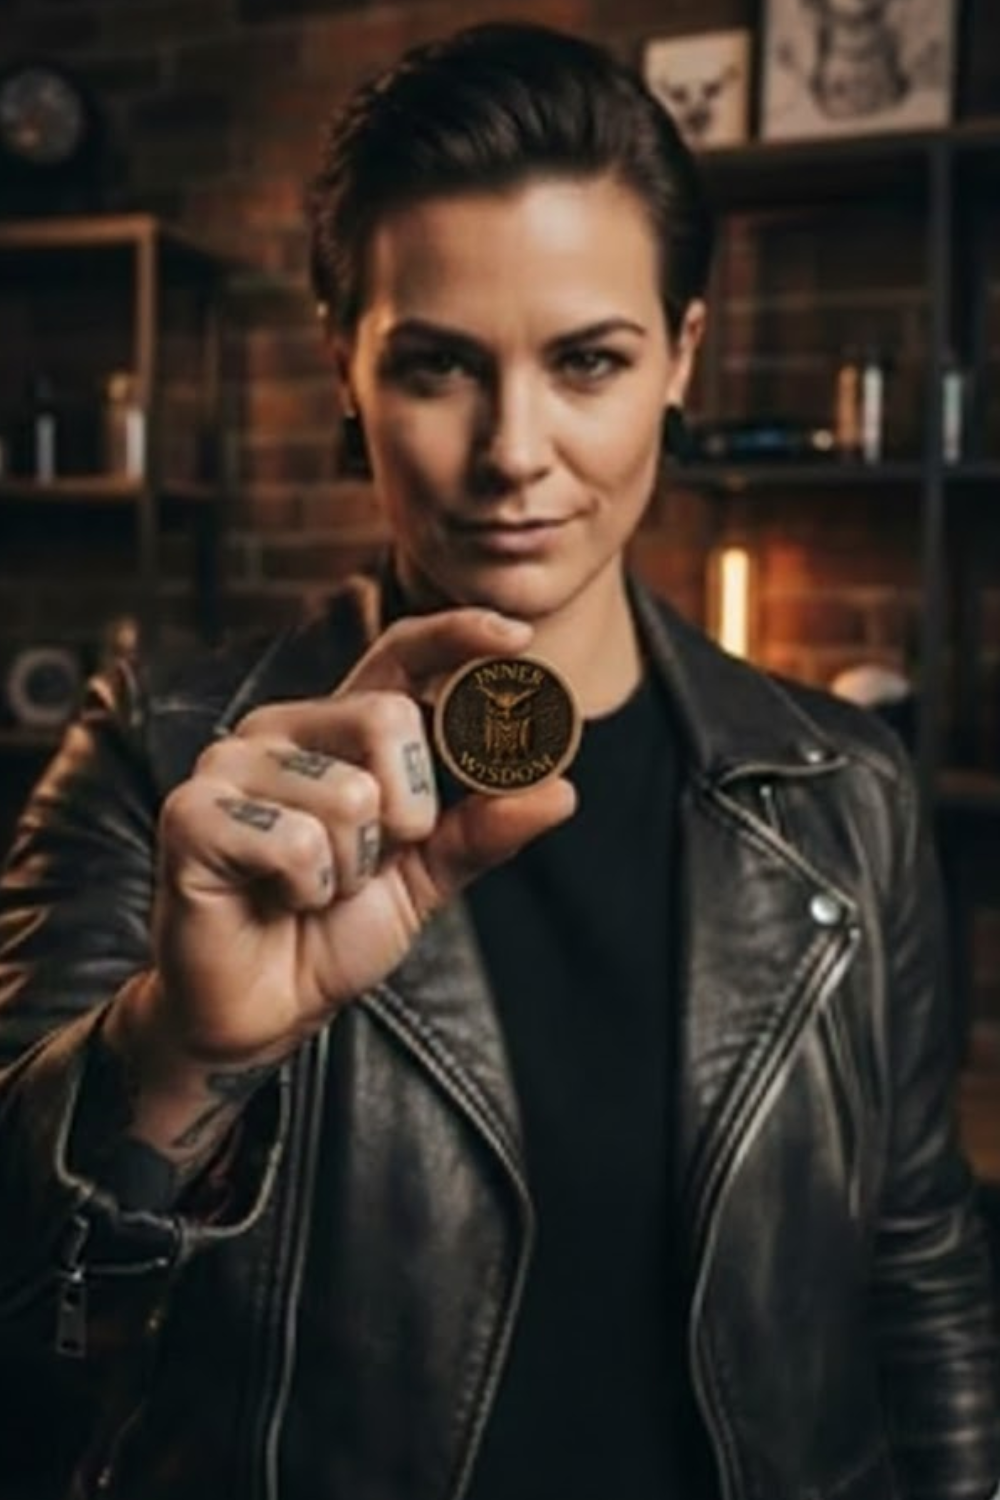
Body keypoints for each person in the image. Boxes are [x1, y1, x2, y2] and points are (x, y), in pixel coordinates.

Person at [0, 20, 997, 1500]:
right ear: (345, 367)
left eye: (588, 359)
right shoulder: (162, 760)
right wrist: (181, 1054)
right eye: (439, 366)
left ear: (682, 359)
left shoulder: (849, 792)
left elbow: (920, 1277)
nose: (514, 449)